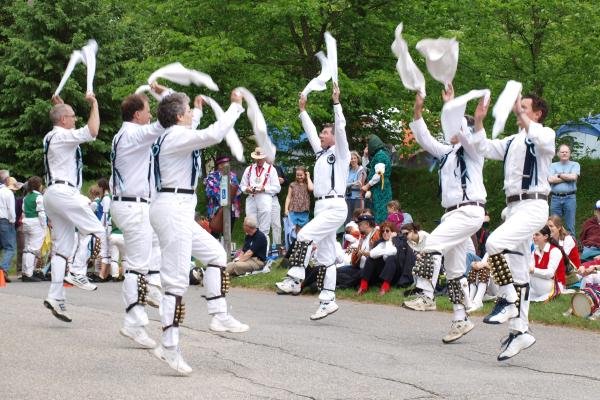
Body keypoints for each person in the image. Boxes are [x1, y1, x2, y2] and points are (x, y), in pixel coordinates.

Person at [149, 90, 248, 375]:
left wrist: (196, 106)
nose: (192, 115)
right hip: (172, 207)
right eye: (188, 112)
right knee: (176, 280)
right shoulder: (176, 137)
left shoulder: (174, 134)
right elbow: (213, 135)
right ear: (179, 117)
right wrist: (236, 107)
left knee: (216, 254)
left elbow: (191, 126)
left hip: (177, 205)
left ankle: (218, 314)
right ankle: (168, 346)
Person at [470, 92, 555, 360]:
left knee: (494, 243)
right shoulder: (512, 140)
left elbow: (541, 140)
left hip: (533, 205)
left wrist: (518, 112)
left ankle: (507, 300)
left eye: (525, 107)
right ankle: (520, 332)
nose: (519, 110)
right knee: (519, 272)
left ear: (537, 113)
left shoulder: (544, 134)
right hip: (514, 207)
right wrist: (480, 122)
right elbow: (484, 147)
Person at [403, 86, 488, 344]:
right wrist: (418, 111)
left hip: (469, 210)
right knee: (453, 271)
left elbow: (464, 133)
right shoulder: (447, 153)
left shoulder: (473, 151)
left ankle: (425, 294)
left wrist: (451, 105)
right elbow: (426, 139)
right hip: (452, 215)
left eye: (457, 127)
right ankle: (460, 318)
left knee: (432, 245)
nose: (451, 131)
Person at [275, 83, 350, 320]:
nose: (321, 135)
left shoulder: (341, 153)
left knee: (304, 236)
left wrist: (336, 104)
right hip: (321, 206)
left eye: (324, 133)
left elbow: (341, 129)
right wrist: (302, 110)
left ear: (333, 137)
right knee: (327, 258)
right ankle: (328, 300)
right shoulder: (321, 154)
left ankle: (295, 278)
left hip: (335, 205)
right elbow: (310, 133)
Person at [42, 93, 105, 322]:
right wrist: (94, 104)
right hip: (64, 192)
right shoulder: (61, 136)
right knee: (97, 231)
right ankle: (78, 271)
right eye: (72, 116)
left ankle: (55, 297)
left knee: (62, 248)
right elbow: (93, 130)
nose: (76, 119)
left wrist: (61, 107)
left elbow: (62, 119)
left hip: (53, 194)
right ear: (63, 121)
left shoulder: (52, 136)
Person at [239, 147, 281, 238]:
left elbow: (277, 188)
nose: (258, 160)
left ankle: (263, 250)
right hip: (251, 198)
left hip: (265, 198)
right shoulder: (249, 169)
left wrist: (264, 189)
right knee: (250, 225)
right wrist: (247, 189)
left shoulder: (271, 169)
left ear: (265, 157)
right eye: (257, 158)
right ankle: (251, 249)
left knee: (264, 228)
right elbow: (242, 185)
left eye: (260, 158)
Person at [204, 155, 242, 235]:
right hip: (215, 210)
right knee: (214, 234)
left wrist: (228, 194)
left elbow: (238, 190)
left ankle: (225, 247)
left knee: (228, 233)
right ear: (220, 165)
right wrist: (225, 196)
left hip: (231, 210)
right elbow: (210, 192)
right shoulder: (212, 176)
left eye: (228, 163)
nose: (228, 165)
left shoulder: (232, 176)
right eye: (226, 164)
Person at [548, 144, 579, 236]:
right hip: (555, 198)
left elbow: (573, 177)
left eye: (566, 152)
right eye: (562, 152)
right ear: (558, 153)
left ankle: (571, 248)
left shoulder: (575, 164)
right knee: (553, 224)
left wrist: (558, 175)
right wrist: (567, 176)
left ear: (570, 154)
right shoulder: (552, 165)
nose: (564, 153)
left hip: (570, 198)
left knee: (570, 225)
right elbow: (550, 179)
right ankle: (555, 246)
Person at [361, 134, 392, 224]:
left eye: (368, 145)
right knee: (374, 211)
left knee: (380, 211)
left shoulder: (380, 156)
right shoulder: (377, 155)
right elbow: (366, 170)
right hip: (377, 188)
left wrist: (367, 186)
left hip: (381, 189)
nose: (367, 147)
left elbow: (379, 174)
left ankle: (380, 233)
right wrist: (365, 156)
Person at [529, 225, 565, 301]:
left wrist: (533, 271)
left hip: (556, 285)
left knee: (529, 276)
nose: (534, 237)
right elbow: (530, 267)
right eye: (533, 234)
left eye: (537, 234)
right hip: (542, 283)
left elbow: (550, 273)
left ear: (545, 236)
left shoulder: (555, 251)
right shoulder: (535, 251)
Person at [20, 176, 46, 282]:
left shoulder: (26, 197)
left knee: (27, 248)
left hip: (26, 221)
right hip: (36, 223)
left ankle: (24, 272)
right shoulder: (39, 197)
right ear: (38, 185)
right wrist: (44, 226)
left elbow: (23, 211)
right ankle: (28, 274)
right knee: (33, 249)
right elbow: (41, 213)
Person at [283, 166, 313, 250]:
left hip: (304, 211)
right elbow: (288, 197)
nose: (299, 177)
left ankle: (300, 248)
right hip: (293, 210)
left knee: (301, 231)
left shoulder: (307, 184)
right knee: (292, 230)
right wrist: (286, 209)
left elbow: (311, 188)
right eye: (297, 175)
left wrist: (308, 177)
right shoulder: (292, 185)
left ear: (305, 174)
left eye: (301, 175)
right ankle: (292, 248)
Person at [0, 176, 22, 282]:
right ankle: (3, 269)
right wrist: (13, 221)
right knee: (10, 247)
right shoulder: (9, 193)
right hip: (5, 221)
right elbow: (11, 210)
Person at [268, 157, 288, 253]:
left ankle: (276, 248)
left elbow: (286, 181)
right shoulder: (260, 169)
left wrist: (283, 181)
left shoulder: (278, 168)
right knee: (263, 224)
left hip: (274, 198)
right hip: (262, 197)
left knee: (277, 224)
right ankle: (264, 248)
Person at [345, 151, 366, 224]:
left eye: (355, 158)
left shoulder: (361, 170)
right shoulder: (348, 170)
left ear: (358, 159)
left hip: (358, 198)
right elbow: (343, 184)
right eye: (351, 158)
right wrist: (353, 183)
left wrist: (349, 184)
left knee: (358, 218)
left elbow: (360, 184)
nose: (353, 160)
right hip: (347, 198)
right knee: (348, 219)